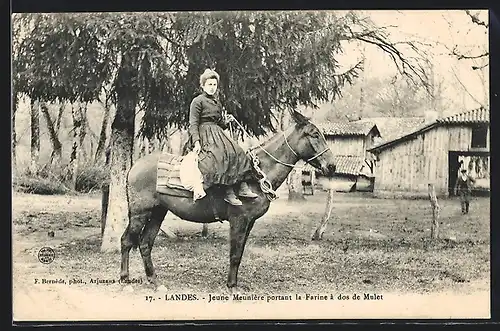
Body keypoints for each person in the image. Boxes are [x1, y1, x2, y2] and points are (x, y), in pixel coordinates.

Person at [184, 68, 258, 206]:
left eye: (214, 85)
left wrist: (226, 122)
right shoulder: (197, 101)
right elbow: (193, 123)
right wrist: (197, 141)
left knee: (237, 151)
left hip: (217, 133)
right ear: (203, 85)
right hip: (204, 134)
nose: (212, 88)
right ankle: (228, 192)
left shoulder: (217, 103)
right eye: (209, 84)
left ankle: (242, 187)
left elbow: (219, 124)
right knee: (219, 156)